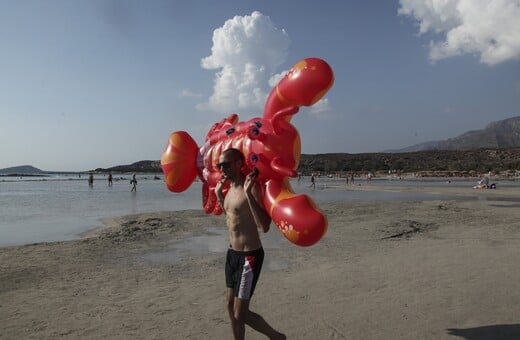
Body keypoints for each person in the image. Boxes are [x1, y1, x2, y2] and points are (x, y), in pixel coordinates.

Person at [215, 148, 285, 340]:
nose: (222, 169)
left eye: (226, 165)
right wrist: (219, 195)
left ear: (239, 164)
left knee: (241, 313)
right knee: (230, 306)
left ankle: (277, 337)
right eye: (219, 165)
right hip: (232, 254)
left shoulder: (251, 187)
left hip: (249, 256)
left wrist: (248, 193)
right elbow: (231, 218)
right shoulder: (227, 190)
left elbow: (264, 225)